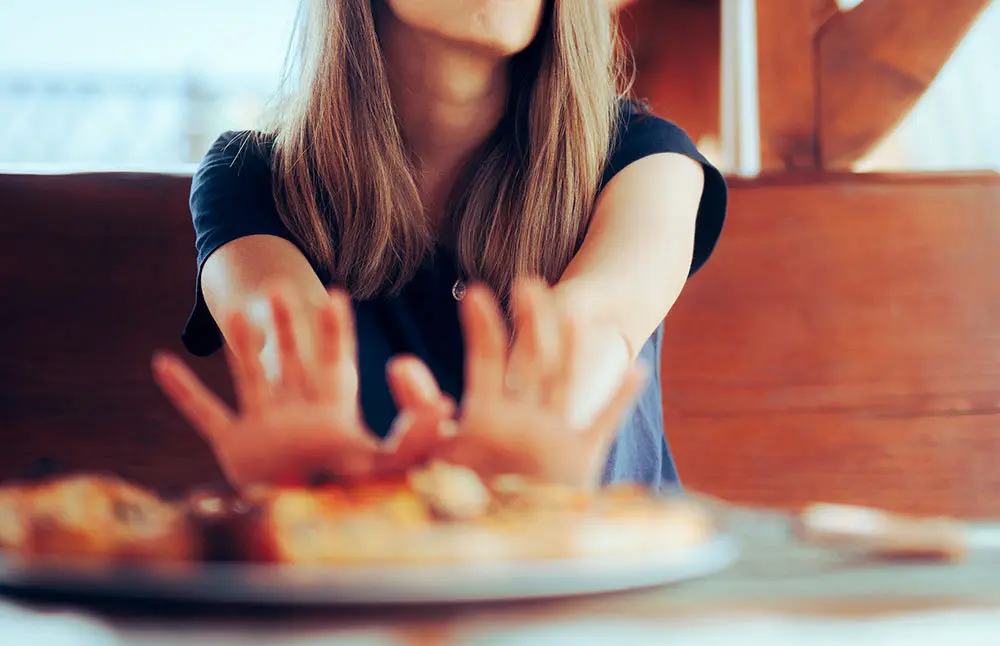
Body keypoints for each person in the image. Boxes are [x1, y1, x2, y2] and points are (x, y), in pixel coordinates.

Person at [152, 0, 727, 492]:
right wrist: (323, 467)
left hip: (612, 604)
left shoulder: (649, 161)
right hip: (372, 593)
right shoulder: (247, 178)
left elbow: (593, 326)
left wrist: (531, 439)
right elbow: (288, 347)